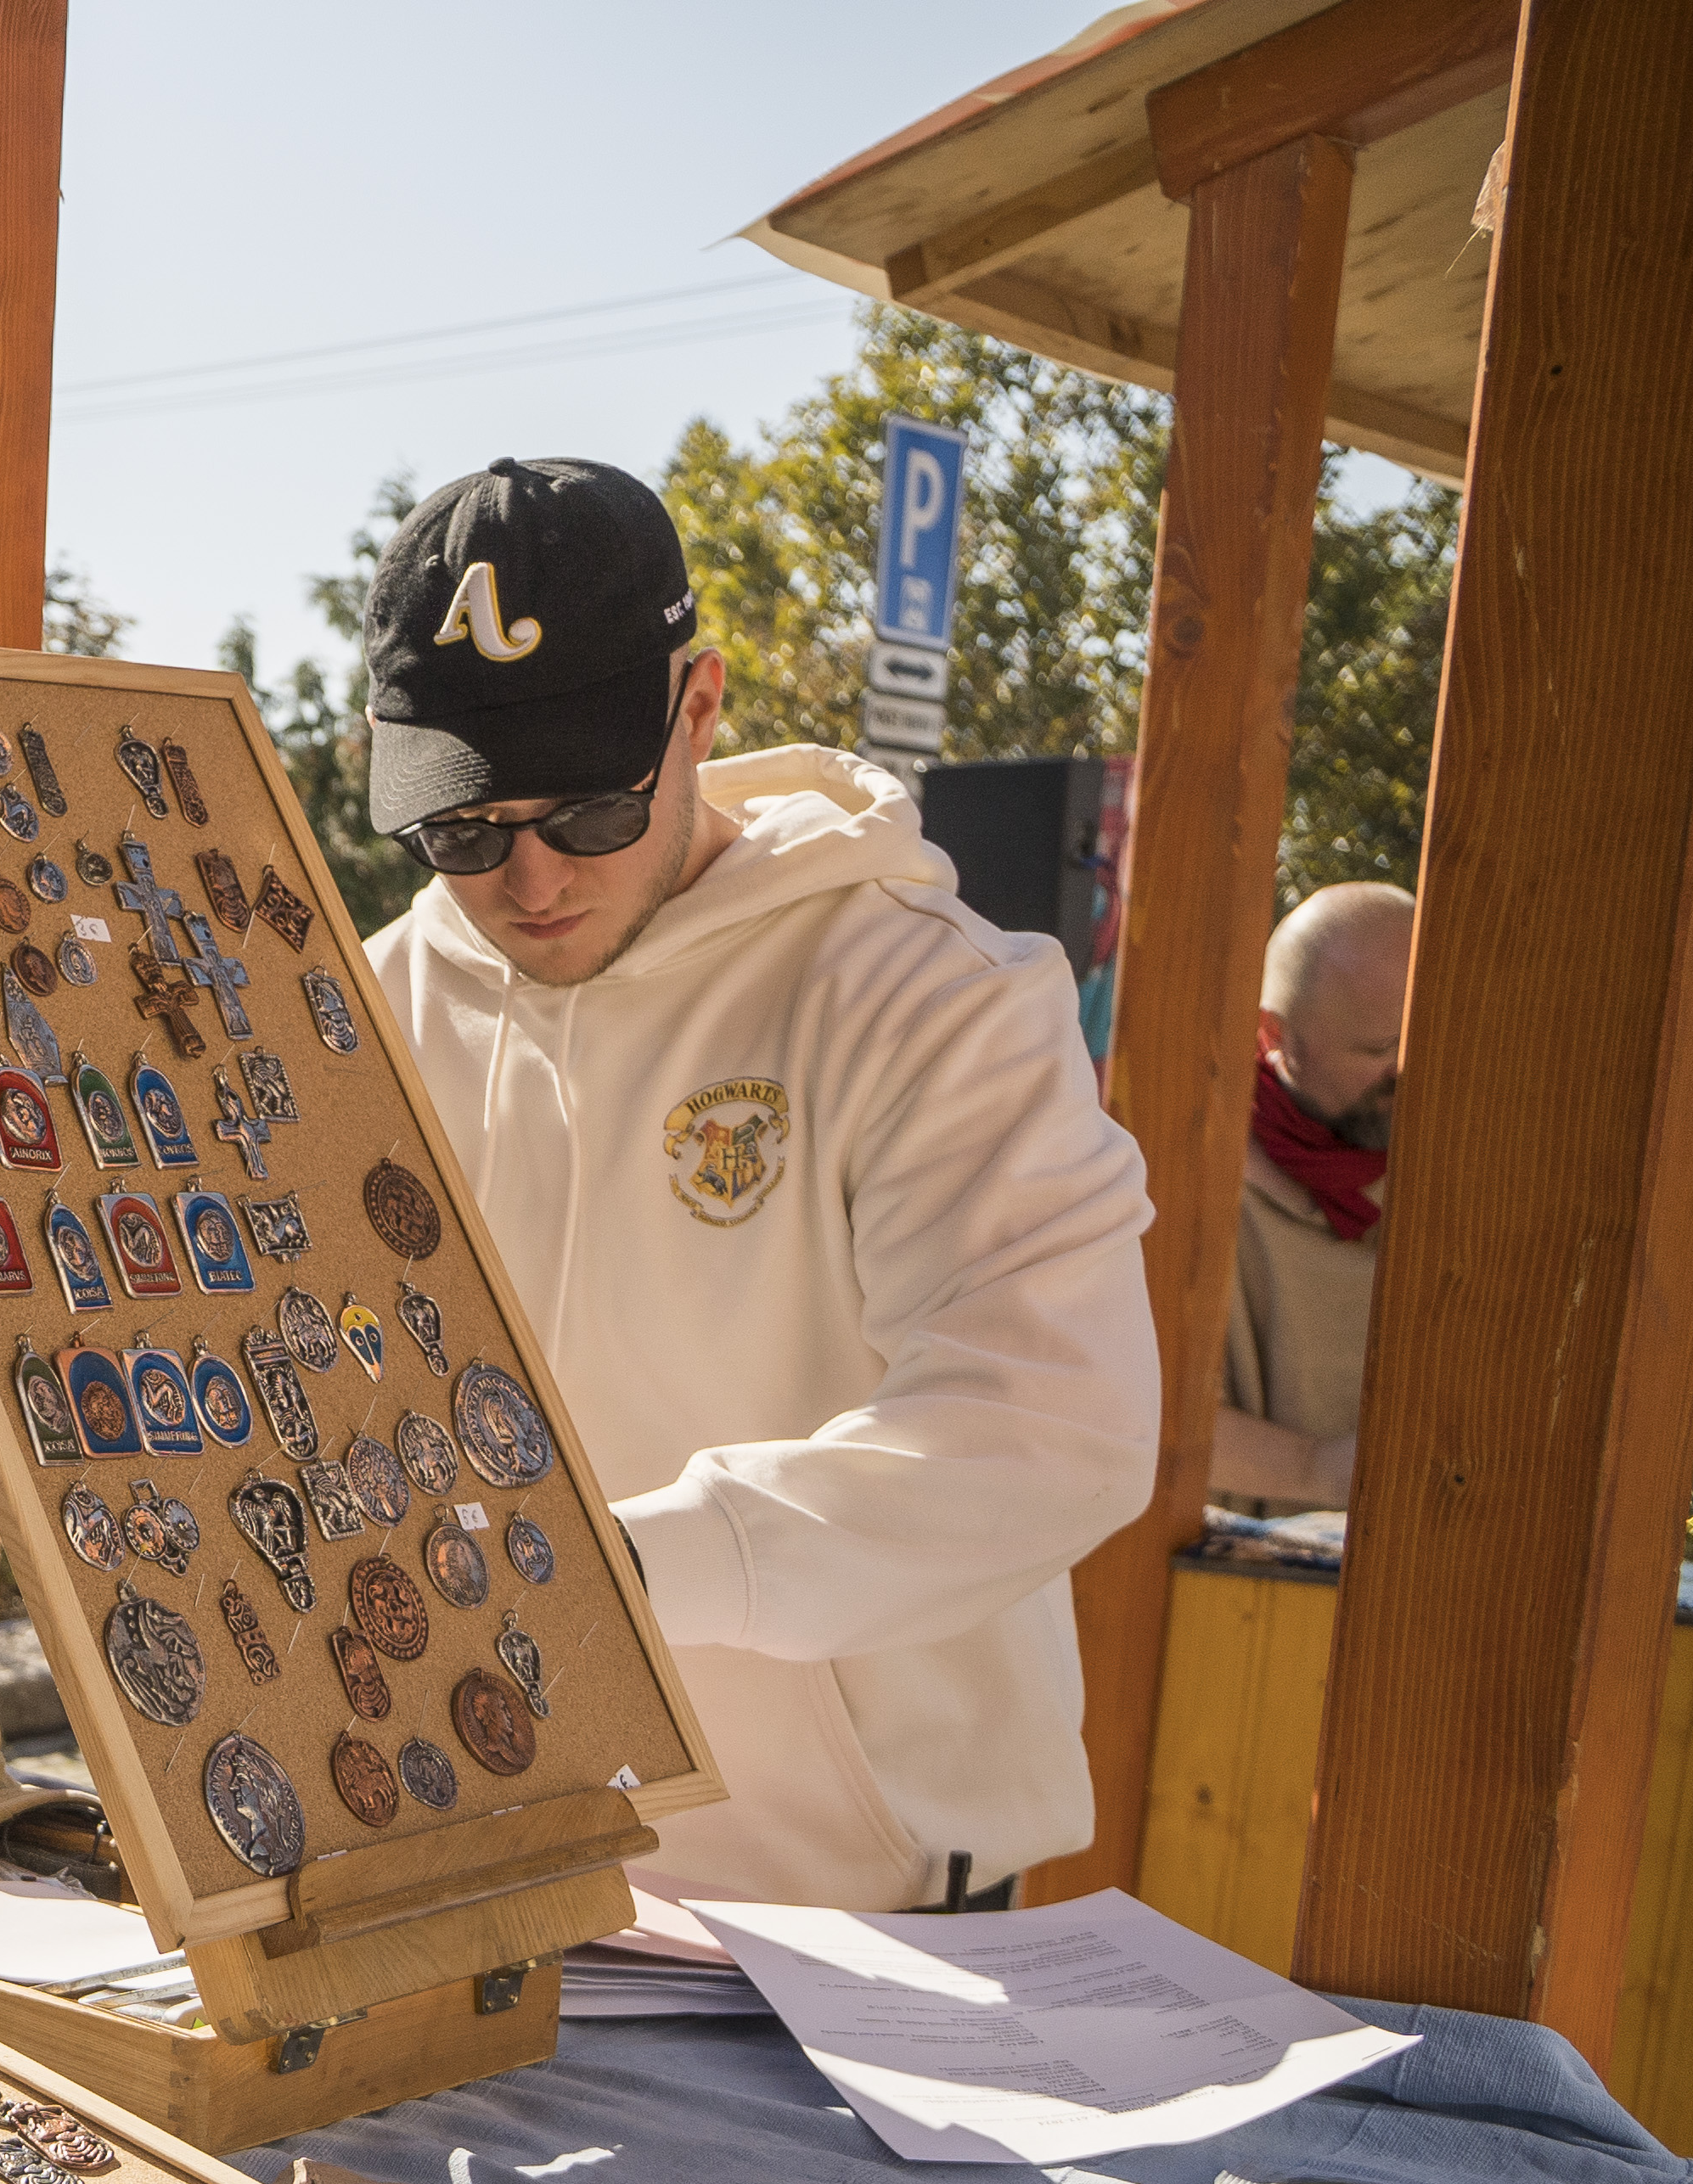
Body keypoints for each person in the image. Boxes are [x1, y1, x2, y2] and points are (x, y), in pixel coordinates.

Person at [355, 458, 1155, 1912]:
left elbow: (1055, 1426)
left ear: (701, 705)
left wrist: (630, 1575)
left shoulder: (933, 998)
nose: (531, 880)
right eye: (466, 829)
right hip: (473, 1868)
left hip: (855, 1906)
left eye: (590, 812)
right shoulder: (372, 1002)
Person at [1218, 881, 1412, 1513]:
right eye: (1380, 1050)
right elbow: (1127, 1413)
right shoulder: (1190, 1179)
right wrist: (1319, 1472)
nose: (1410, 1070)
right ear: (1278, 1037)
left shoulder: (1470, 1166)